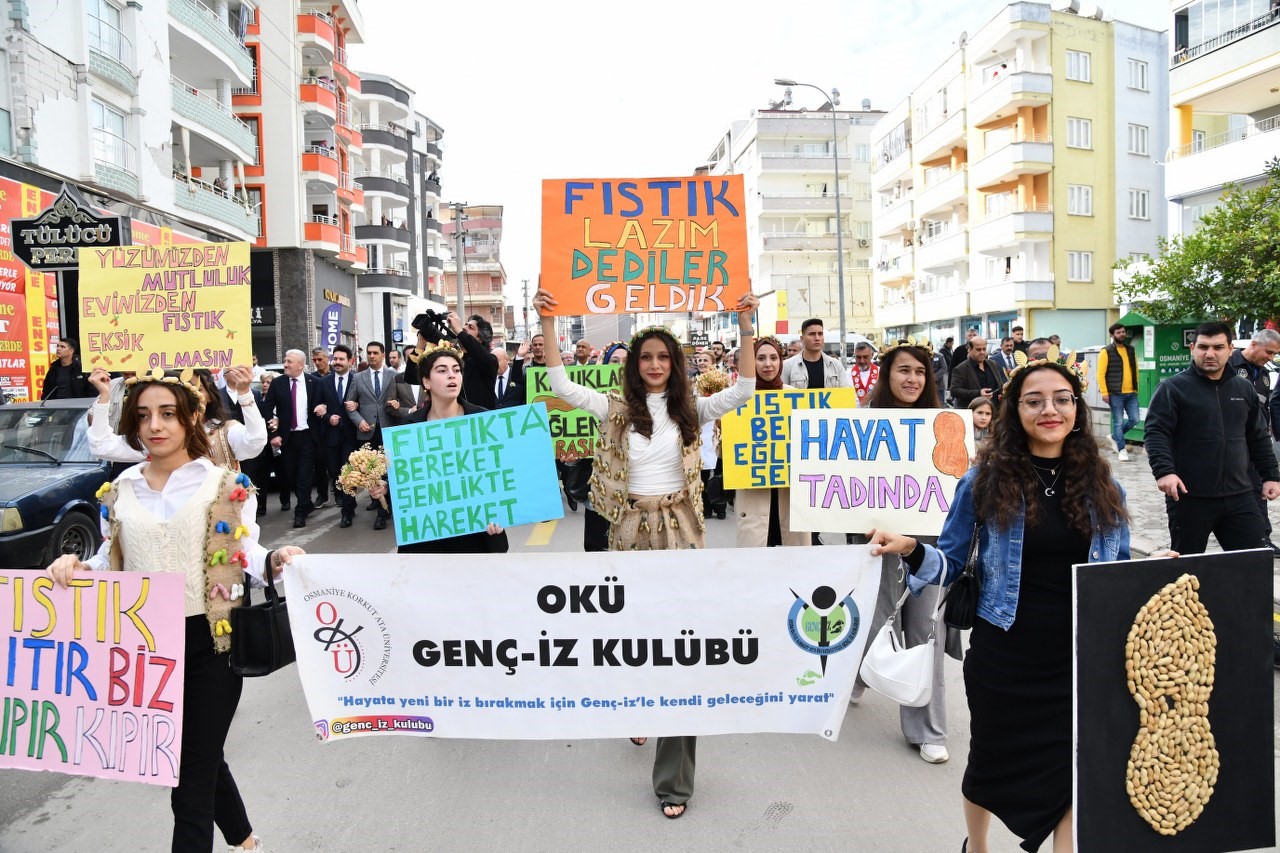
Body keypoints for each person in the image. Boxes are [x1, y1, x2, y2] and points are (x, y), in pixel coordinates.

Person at [867, 358, 1131, 853]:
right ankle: (979, 846)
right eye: (1034, 401)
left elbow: (1117, 574)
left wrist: (1161, 568)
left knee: (1070, 764)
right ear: (1015, 411)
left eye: (1061, 399)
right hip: (1004, 651)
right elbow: (948, 563)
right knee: (991, 761)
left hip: (1076, 656)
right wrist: (908, 546)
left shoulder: (1104, 486)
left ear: (1077, 408)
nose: (1049, 409)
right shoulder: (984, 480)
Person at [46, 369, 304, 853]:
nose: (154, 426)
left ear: (190, 419)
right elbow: (110, 560)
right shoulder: (121, 488)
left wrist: (276, 559)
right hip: (146, 651)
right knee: (199, 756)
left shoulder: (223, 484)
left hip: (213, 645)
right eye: (143, 416)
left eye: (167, 414)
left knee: (186, 774)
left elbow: (245, 554)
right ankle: (245, 839)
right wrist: (75, 565)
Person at [533, 284, 759, 821]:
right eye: (647, 358)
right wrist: (549, 321)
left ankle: (674, 781)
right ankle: (635, 701)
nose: (655, 364)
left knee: (682, 643)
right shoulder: (612, 408)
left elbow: (746, 387)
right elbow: (560, 382)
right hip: (627, 532)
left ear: (675, 365)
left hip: (681, 530)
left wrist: (747, 325)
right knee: (632, 635)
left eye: (664, 357)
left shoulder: (693, 411)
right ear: (634, 366)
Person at [849, 342, 954, 765]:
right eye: (903, 371)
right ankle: (858, 674)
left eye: (920, 372)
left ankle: (927, 729)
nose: (912, 379)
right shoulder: (861, 425)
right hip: (875, 539)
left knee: (925, 629)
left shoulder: (945, 426)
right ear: (886, 376)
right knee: (874, 618)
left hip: (928, 544)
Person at [1145, 321, 1280, 554]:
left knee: (1253, 565)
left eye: (1218, 347)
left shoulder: (1243, 389)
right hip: (1190, 497)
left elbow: (1257, 437)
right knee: (1187, 569)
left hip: (1240, 496)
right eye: (1203, 347)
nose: (1210, 354)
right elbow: (1157, 432)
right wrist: (1164, 471)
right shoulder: (1172, 388)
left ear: (1230, 349)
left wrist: (1271, 476)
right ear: (1192, 348)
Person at [370, 344, 510, 554]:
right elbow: (404, 479)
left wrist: (500, 514)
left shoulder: (482, 420)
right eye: (442, 371)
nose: (451, 376)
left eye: (456, 370)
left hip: (477, 533)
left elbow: (501, 473)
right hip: (426, 537)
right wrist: (386, 487)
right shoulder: (409, 427)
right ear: (426, 381)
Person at [87, 365, 265, 473]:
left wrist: (244, 393)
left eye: (198, 390)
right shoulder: (158, 436)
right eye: (184, 392)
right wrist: (104, 395)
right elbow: (102, 445)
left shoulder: (225, 432)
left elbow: (255, 442)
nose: (193, 396)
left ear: (210, 396)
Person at [735, 337, 810, 548]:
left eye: (773, 358)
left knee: (794, 564)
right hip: (754, 490)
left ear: (781, 361)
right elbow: (726, 454)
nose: (767, 364)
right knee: (757, 564)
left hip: (789, 490)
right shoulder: (738, 398)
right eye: (760, 358)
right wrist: (724, 430)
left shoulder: (796, 397)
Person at [1228, 329, 1280, 552]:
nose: (1270, 358)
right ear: (1254, 344)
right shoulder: (1230, 365)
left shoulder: (1265, 374)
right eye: (1268, 352)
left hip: (1257, 441)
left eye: (1274, 354)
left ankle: (1262, 537)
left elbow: (1267, 407)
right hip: (1234, 441)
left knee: (1259, 486)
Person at [262, 349, 325, 529]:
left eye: (289, 362)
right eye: (285, 361)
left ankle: (300, 512)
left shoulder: (315, 382)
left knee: (304, 475)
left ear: (300, 365)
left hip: (307, 437)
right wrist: (273, 434)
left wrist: (324, 406)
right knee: (290, 475)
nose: (285, 365)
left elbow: (325, 402)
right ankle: (306, 503)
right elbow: (268, 409)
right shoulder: (278, 383)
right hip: (286, 437)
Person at [345, 341, 395, 529]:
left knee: (389, 472)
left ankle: (386, 509)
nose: (371, 356)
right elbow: (350, 404)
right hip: (367, 434)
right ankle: (381, 511)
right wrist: (359, 421)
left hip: (389, 430)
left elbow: (400, 400)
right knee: (374, 473)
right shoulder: (358, 378)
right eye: (369, 353)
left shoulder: (394, 376)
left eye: (375, 353)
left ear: (383, 354)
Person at [319, 344, 360, 529]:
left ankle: (347, 511)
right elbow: (318, 405)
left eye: (341, 359)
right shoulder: (324, 382)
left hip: (351, 435)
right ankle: (346, 499)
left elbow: (364, 401)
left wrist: (357, 406)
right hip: (331, 436)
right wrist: (327, 417)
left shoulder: (357, 380)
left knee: (348, 474)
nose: (337, 362)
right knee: (335, 472)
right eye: (335, 359)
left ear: (350, 361)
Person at [1096, 323, 1140, 461]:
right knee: (1118, 422)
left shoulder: (1131, 350)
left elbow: (1136, 370)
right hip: (1115, 393)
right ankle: (1122, 450)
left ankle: (1115, 436)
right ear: (1112, 335)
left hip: (1131, 392)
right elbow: (1100, 374)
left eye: (1123, 332)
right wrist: (1104, 392)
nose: (1122, 334)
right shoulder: (1106, 351)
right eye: (1119, 332)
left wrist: (1136, 387)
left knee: (1135, 419)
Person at [782, 318, 852, 390]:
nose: (817, 338)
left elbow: (844, 395)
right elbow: (781, 394)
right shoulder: (787, 366)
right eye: (812, 334)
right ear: (802, 339)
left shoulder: (836, 365)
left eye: (820, 334)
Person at [448, 314, 500, 408]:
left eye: (470, 327)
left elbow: (481, 356)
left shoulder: (490, 360)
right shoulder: (453, 359)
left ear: (480, 339)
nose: (464, 328)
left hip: (482, 419)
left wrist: (459, 331)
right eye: (465, 325)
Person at [951, 337, 1007, 408]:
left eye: (984, 349)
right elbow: (954, 391)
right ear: (970, 350)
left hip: (995, 411)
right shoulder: (960, 369)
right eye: (978, 349)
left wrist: (1001, 393)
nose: (982, 352)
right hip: (973, 412)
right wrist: (978, 393)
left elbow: (1000, 384)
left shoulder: (993, 364)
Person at [851, 341, 878, 406]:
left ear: (872, 355)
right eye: (858, 357)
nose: (862, 361)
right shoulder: (846, 375)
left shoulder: (882, 372)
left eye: (865, 357)